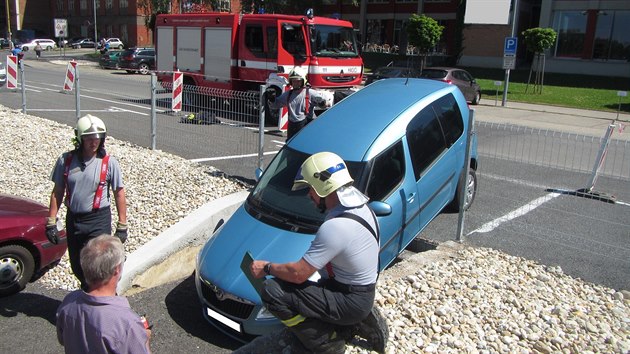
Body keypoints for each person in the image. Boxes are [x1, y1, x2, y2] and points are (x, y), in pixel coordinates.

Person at [250, 151, 381, 353]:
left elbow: (298, 273)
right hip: (360, 292)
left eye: (310, 188)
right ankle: (355, 321)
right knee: (307, 285)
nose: (309, 195)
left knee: (272, 291)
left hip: (350, 299)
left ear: (322, 187)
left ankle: (327, 343)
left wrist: (266, 267)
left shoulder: (336, 226)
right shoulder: (363, 209)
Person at [47, 114, 128, 290]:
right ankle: (87, 296)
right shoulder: (65, 161)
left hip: (98, 220)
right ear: (80, 139)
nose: (94, 142)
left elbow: (119, 193)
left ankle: (103, 303)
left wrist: (122, 225)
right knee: (77, 265)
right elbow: (58, 192)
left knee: (99, 266)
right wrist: (51, 221)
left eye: (97, 138)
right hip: (74, 220)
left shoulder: (109, 163)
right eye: (89, 138)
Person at [56, 235, 151, 354]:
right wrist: (144, 339)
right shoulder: (127, 324)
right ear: (116, 269)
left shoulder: (69, 302)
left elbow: (62, 340)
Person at [266, 67, 327, 140]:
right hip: (292, 126)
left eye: (298, 81)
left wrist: (322, 103)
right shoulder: (288, 94)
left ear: (303, 81)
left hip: (306, 126)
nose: (296, 83)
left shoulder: (310, 93)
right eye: (293, 81)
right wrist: (272, 99)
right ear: (290, 82)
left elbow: (325, 106)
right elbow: (275, 105)